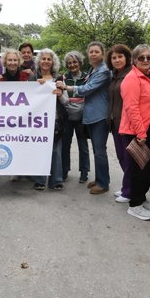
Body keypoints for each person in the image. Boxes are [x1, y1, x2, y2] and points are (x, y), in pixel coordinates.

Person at [57, 41, 111, 195]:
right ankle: (100, 179)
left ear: (102, 53)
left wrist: (67, 88)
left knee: (98, 150)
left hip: (98, 115)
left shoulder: (103, 71)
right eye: (91, 51)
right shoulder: (95, 70)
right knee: (96, 150)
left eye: (96, 51)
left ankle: (102, 182)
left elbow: (87, 89)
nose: (93, 54)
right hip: (88, 115)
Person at [119, 44, 150, 220]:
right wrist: (140, 132)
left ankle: (141, 197)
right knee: (139, 169)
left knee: (149, 168)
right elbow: (131, 107)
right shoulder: (132, 79)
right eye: (141, 57)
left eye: (148, 57)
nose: (145, 60)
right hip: (138, 132)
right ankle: (135, 204)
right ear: (134, 60)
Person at [32, 48, 66, 191]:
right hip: (37, 122)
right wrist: (35, 87)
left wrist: (60, 94)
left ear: (53, 62)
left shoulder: (59, 79)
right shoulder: (32, 78)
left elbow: (66, 102)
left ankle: (56, 180)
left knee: (56, 151)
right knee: (39, 150)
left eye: (49, 59)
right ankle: (40, 181)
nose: (46, 61)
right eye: (43, 59)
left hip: (55, 121)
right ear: (39, 61)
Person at [107, 44, 133, 205]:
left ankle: (129, 191)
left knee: (129, 159)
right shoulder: (115, 75)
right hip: (115, 123)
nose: (117, 60)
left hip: (127, 124)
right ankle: (127, 187)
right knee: (122, 156)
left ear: (127, 57)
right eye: (114, 57)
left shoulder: (131, 74)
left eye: (120, 56)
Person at [59, 50, 90, 184]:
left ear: (80, 62)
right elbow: (63, 98)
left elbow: (89, 95)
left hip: (82, 117)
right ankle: (64, 170)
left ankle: (84, 171)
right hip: (67, 116)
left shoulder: (87, 77)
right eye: (69, 63)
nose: (72, 65)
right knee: (65, 145)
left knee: (83, 146)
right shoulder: (63, 78)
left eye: (75, 62)